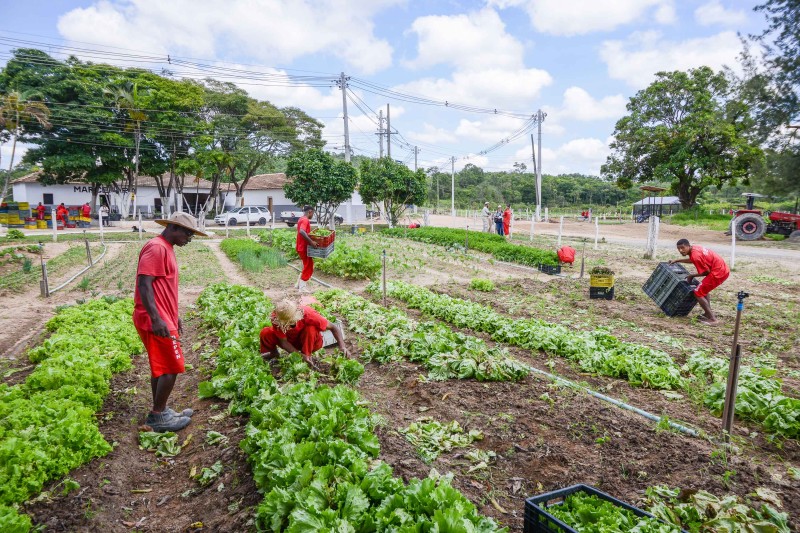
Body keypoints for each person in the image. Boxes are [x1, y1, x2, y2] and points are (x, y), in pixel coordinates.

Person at [134, 212, 208, 432]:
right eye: (188, 233)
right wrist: (157, 319)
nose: (189, 238)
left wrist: (173, 315)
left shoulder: (167, 248)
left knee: (161, 366)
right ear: (174, 228)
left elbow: (162, 287)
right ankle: (157, 416)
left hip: (163, 316)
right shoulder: (157, 248)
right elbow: (144, 285)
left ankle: (162, 409)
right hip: (154, 318)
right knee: (173, 366)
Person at [260, 298, 350, 367]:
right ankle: (274, 354)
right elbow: (283, 341)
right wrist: (299, 355)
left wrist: (342, 347)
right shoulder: (277, 316)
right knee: (266, 332)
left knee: (311, 329)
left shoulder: (309, 315)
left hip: (311, 343)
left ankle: (307, 356)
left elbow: (334, 328)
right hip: (291, 341)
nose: (285, 326)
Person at [669, 238, 730, 325]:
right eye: (679, 249)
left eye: (683, 248)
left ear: (688, 246)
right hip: (723, 269)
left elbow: (706, 272)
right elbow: (693, 259)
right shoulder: (695, 248)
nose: (681, 250)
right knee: (704, 289)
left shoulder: (695, 256)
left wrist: (692, 275)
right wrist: (677, 260)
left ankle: (713, 319)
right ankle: (707, 314)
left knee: (698, 292)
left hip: (718, 273)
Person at [295, 205, 315, 293]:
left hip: (300, 246)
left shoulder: (301, 218)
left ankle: (298, 284)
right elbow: (302, 231)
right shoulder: (305, 220)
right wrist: (311, 242)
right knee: (308, 266)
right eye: (313, 213)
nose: (313, 215)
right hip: (303, 247)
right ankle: (302, 288)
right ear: (310, 212)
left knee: (306, 265)